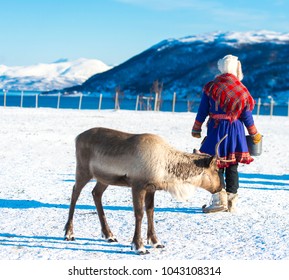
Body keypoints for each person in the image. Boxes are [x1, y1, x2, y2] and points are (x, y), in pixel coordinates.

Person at [191, 54, 262, 213]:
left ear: (221, 67)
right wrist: (254, 133)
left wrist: (197, 128)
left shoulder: (211, 87)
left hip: (216, 130)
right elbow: (246, 116)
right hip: (235, 130)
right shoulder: (241, 90)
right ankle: (231, 203)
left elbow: (202, 110)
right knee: (232, 166)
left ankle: (218, 200)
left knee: (216, 166)